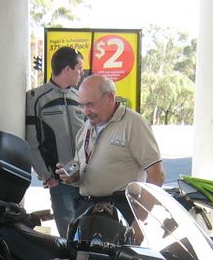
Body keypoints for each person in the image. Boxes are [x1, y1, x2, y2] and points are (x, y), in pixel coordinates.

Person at [57, 74, 164, 225]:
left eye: (90, 104)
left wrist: (139, 222)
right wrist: (72, 177)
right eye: (82, 105)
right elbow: (84, 168)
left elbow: (156, 175)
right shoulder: (86, 127)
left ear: (110, 98)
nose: (86, 112)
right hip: (86, 208)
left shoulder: (134, 123)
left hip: (120, 210)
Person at [26, 46, 85, 237]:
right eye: (79, 68)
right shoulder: (36, 98)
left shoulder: (80, 98)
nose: (82, 73)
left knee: (87, 232)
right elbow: (31, 142)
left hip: (86, 180)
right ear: (67, 69)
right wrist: (48, 177)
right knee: (68, 236)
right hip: (60, 181)